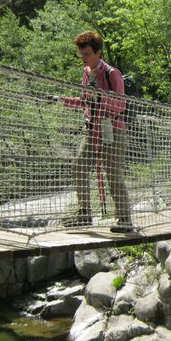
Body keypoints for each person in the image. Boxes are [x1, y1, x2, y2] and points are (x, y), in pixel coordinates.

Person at [61, 31, 133, 233]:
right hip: (91, 129)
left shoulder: (112, 74)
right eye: (81, 54)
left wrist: (100, 97)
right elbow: (84, 100)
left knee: (113, 175)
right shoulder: (86, 72)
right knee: (79, 167)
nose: (83, 58)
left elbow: (121, 105)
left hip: (113, 130)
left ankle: (125, 219)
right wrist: (61, 100)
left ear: (98, 52)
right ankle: (84, 214)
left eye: (87, 54)